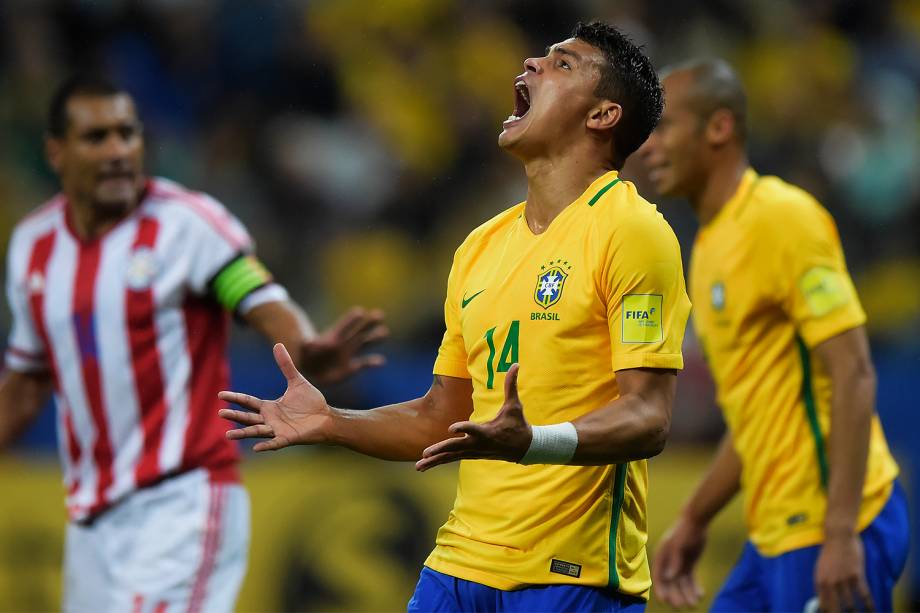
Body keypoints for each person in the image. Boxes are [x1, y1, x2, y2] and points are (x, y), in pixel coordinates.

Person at [219, 21, 691, 612]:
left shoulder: (633, 231)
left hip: (569, 573)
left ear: (602, 115)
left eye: (563, 64)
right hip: (458, 564)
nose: (531, 63)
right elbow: (442, 416)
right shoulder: (479, 247)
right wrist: (331, 421)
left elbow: (648, 417)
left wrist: (534, 442)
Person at [0, 75, 388, 613]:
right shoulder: (33, 247)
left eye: (127, 134)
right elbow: (25, 384)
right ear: (56, 152)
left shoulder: (187, 226)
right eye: (97, 138)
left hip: (182, 503)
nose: (117, 151)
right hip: (90, 520)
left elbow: (258, 300)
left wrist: (304, 344)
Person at [638, 59, 908, 612]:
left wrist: (839, 534)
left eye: (664, 127)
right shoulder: (709, 250)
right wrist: (694, 516)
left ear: (718, 129)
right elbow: (756, 411)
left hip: (832, 524)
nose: (649, 147)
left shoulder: (783, 219)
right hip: (774, 534)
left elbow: (854, 373)